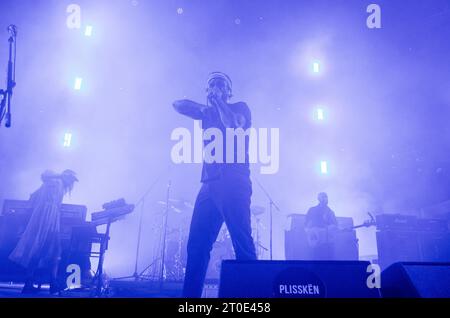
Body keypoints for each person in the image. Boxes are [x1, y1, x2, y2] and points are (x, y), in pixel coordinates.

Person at [173, 72, 257, 297]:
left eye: (221, 84)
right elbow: (178, 105)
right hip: (208, 185)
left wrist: (218, 101)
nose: (215, 87)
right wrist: (205, 107)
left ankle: (252, 300)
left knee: (243, 244)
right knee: (197, 246)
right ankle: (189, 301)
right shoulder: (207, 112)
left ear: (229, 91)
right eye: (211, 84)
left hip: (234, 182)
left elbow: (231, 125)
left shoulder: (240, 108)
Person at [9, 169, 78, 294]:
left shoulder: (55, 183)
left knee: (41, 250)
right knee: (51, 251)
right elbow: (44, 175)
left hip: (44, 219)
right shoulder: (57, 182)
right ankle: (50, 283)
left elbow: (33, 196)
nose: (71, 185)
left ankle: (33, 283)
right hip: (48, 220)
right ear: (67, 177)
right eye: (71, 180)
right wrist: (51, 225)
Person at [304, 192, 338, 260]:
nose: (325, 199)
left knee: (329, 261)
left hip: (328, 244)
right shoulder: (312, 210)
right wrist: (310, 233)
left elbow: (335, 225)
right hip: (315, 243)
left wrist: (332, 227)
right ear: (318, 199)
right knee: (316, 260)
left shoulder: (330, 212)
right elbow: (306, 225)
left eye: (326, 197)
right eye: (323, 197)